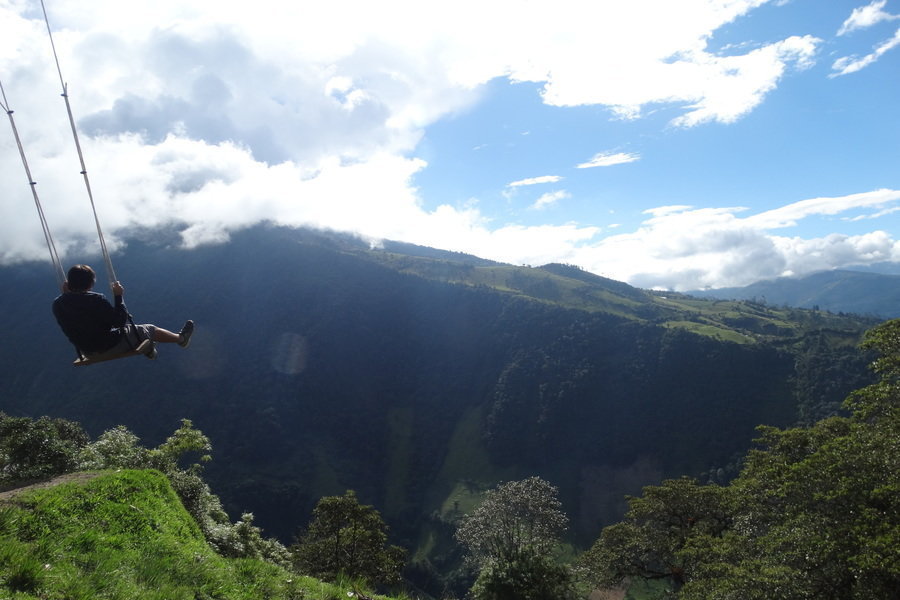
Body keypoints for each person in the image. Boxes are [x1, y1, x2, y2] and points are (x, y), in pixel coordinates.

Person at [52, 264, 193, 360]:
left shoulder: (58, 304)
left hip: (87, 352)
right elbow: (119, 321)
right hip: (108, 346)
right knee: (149, 329)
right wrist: (118, 295)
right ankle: (181, 339)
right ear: (90, 284)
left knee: (133, 332)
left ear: (69, 283)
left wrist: (67, 294)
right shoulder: (95, 299)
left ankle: (149, 348)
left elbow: (77, 313)